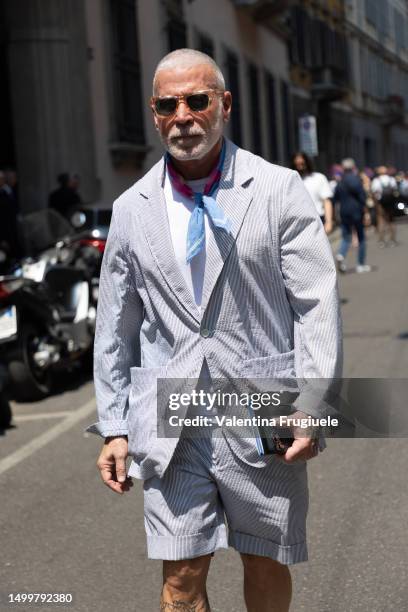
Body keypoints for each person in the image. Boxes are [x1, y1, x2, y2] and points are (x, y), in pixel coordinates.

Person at [86, 49, 342, 612]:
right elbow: (116, 323)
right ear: (154, 115)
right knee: (180, 578)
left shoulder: (278, 189)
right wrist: (114, 425)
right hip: (172, 413)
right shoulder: (131, 209)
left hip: (262, 408)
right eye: (167, 105)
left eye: (197, 100)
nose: (184, 115)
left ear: (224, 105)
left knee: (266, 559)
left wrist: (312, 402)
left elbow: (316, 303)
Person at [334, 158, 370, 274]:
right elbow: (362, 197)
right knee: (361, 237)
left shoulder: (340, 181)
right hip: (356, 211)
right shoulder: (356, 179)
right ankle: (361, 264)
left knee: (346, 236)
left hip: (344, 212)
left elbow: (335, 198)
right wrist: (365, 210)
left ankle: (341, 255)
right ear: (353, 167)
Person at [292, 151, 334, 233]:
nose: (300, 166)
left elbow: (327, 201)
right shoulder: (291, 180)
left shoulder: (319, 178)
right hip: (296, 222)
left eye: (302, 163)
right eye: (297, 164)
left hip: (317, 220)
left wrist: (329, 222)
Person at [371, 166, 398, 247]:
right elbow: (395, 191)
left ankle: (381, 241)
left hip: (380, 203)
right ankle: (392, 240)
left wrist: (376, 205)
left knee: (381, 221)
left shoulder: (376, 180)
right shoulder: (391, 179)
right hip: (390, 203)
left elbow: (374, 193)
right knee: (391, 221)